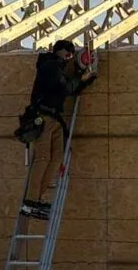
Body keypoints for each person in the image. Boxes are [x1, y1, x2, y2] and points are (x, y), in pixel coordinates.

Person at [21, 39, 96, 216]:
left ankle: (37, 199)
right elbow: (65, 88)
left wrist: (86, 80)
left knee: (56, 158)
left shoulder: (58, 68)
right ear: (59, 51)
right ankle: (30, 201)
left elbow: (70, 89)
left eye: (72, 53)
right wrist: (80, 76)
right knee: (43, 158)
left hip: (54, 118)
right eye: (67, 52)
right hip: (43, 117)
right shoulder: (50, 66)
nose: (70, 56)